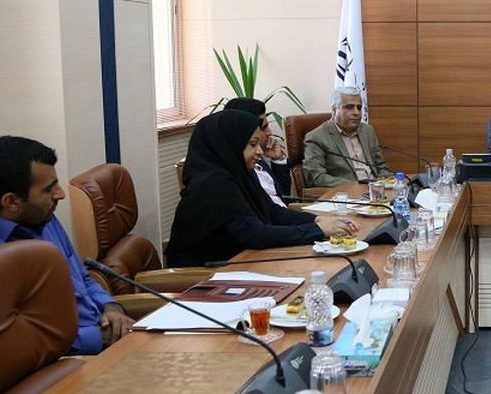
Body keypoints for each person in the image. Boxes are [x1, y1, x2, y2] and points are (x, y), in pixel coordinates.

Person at [0, 136, 132, 354]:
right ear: (11, 202)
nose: (60, 194)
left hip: (107, 343)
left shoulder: (43, 219)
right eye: (48, 190)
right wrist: (99, 338)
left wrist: (110, 306)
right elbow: (17, 343)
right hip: (69, 362)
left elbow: (83, 278)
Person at [166, 110, 357, 267]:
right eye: (252, 144)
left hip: (241, 262)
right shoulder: (213, 184)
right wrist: (317, 230)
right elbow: (255, 235)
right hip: (201, 280)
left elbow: (272, 211)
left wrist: (317, 219)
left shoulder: (238, 173)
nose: (259, 152)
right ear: (229, 145)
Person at [302, 88, 394, 187]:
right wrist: (358, 185)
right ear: (334, 110)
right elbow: (317, 178)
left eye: (359, 107)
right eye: (349, 107)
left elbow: (380, 166)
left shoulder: (367, 131)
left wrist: (393, 182)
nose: (356, 113)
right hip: (347, 192)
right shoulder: (316, 137)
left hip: (376, 189)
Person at [224, 97, 291, 206]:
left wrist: (278, 160)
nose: (269, 132)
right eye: (264, 128)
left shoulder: (259, 160)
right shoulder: (236, 171)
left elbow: (283, 199)